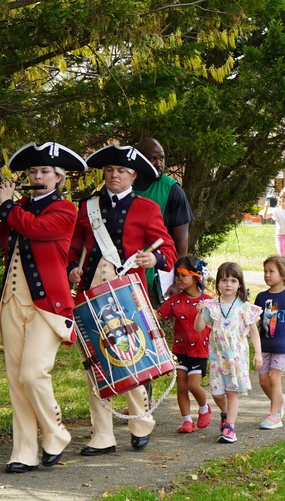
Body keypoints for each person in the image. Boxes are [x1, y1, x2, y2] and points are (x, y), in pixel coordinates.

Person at [0, 142, 84, 474]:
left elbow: (36, 230)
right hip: (12, 301)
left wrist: (7, 206)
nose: (38, 176)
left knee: (32, 373)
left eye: (45, 172)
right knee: (15, 380)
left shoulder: (65, 210)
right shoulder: (16, 206)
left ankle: (55, 432)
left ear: (59, 178)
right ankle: (23, 450)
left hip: (47, 305)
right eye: (33, 171)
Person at [67, 144, 177, 456]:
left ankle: (141, 421)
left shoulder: (146, 208)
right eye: (110, 170)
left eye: (121, 171)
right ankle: (102, 435)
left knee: (130, 358)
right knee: (96, 364)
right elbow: (74, 247)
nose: (114, 175)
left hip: (127, 296)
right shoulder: (88, 207)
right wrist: (72, 268)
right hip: (90, 294)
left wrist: (152, 258)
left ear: (132, 175)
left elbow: (168, 250)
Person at [194, 262, 263, 443]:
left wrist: (258, 353)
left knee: (232, 392)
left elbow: (253, 332)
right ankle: (225, 414)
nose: (228, 284)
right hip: (218, 357)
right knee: (217, 393)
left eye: (233, 280)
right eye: (224, 280)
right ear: (218, 283)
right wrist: (200, 313)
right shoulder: (212, 306)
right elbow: (198, 328)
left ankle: (230, 428)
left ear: (239, 284)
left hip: (237, 357)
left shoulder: (244, 308)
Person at [156, 256, 212, 434]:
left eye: (183, 275)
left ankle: (204, 408)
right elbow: (157, 315)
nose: (178, 279)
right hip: (181, 350)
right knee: (181, 386)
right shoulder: (174, 301)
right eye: (176, 275)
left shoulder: (208, 301)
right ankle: (187, 420)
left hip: (200, 350)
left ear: (196, 276)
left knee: (193, 385)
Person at [136, 137, 194, 302]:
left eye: (161, 158)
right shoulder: (124, 186)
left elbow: (181, 243)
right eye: (152, 158)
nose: (158, 163)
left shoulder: (172, 190)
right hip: (122, 275)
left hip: (156, 278)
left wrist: (179, 280)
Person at [253, 255, 285, 429]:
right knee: (263, 381)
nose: (267, 275)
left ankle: (275, 415)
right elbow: (257, 321)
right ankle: (279, 400)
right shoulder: (261, 297)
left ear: (283, 274)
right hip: (264, 346)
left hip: (281, 347)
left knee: (274, 378)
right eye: (265, 271)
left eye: (271, 271)